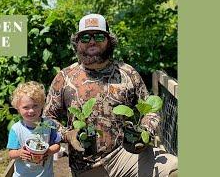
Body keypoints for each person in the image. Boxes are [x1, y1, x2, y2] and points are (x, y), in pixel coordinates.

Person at [43, 14, 178, 177]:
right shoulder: (64, 77)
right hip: (87, 165)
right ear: (77, 43)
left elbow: (150, 109)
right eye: (85, 37)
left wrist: (145, 130)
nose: (92, 42)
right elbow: (48, 118)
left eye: (99, 36)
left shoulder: (127, 73)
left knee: (176, 169)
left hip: (127, 156)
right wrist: (68, 135)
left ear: (109, 40)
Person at [7, 81, 61, 177]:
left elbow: (57, 145)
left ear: (42, 105)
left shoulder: (49, 124)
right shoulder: (16, 129)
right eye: (26, 107)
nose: (31, 111)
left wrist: (48, 151)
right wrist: (19, 153)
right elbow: (11, 153)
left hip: (45, 174)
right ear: (18, 109)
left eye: (35, 106)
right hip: (22, 175)